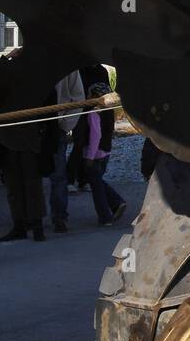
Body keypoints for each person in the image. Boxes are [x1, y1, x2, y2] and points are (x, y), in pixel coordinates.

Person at [82, 66, 127, 226]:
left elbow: (95, 135)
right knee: (98, 181)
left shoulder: (93, 112)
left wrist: (89, 157)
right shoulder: (108, 111)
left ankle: (106, 215)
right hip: (105, 151)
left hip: (95, 154)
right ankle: (116, 203)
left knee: (97, 186)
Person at [43, 70, 85, 234]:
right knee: (31, 175)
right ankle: (32, 219)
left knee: (58, 174)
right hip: (33, 127)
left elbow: (78, 96)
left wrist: (65, 124)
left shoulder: (68, 69)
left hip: (56, 127)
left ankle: (59, 216)